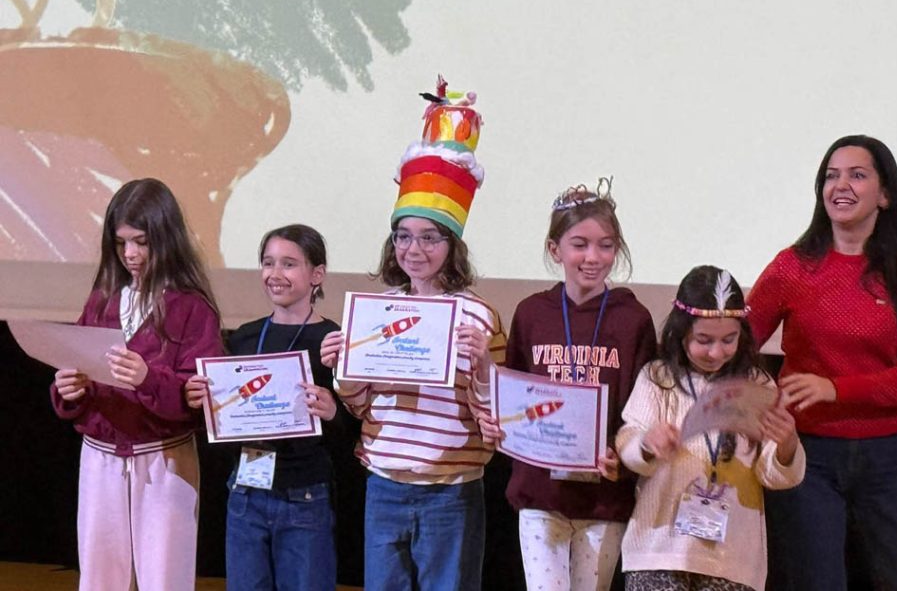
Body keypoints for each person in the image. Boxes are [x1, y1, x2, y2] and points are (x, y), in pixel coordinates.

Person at [321, 81, 505, 591]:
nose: (413, 249)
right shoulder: (377, 311)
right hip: (384, 484)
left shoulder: (479, 316)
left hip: (452, 490)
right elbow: (360, 404)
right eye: (403, 236)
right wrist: (343, 367)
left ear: (453, 244)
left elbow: (493, 420)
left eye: (429, 237)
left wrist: (483, 368)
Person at [746, 135, 897, 590]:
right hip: (807, 454)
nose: (841, 185)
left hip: (889, 456)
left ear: (885, 194)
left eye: (857, 175)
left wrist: (836, 388)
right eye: (831, 176)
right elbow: (738, 342)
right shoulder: (792, 267)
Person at [51, 177, 222, 591]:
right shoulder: (104, 299)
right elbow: (80, 369)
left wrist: (149, 379)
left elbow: (200, 399)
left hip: (162, 459)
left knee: (164, 577)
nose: (130, 254)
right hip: (101, 458)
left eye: (141, 242)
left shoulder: (191, 307)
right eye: (121, 243)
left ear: (165, 238)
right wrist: (68, 390)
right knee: (99, 577)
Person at [493, 178, 658, 591]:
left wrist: (622, 456)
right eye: (579, 244)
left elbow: (641, 407)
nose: (593, 257)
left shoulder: (633, 319)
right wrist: (504, 428)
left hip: (604, 495)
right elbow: (514, 395)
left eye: (606, 245)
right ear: (555, 250)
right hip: (540, 492)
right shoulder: (532, 313)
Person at [616, 265, 805, 591]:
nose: (716, 352)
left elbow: (773, 473)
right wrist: (647, 443)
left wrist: (787, 445)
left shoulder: (756, 385)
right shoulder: (658, 379)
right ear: (680, 332)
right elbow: (628, 442)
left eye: (729, 340)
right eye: (703, 340)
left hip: (732, 558)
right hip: (659, 551)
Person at [185, 224, 341, 591]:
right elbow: (224, 415)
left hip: (303, 494)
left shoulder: (332, 340)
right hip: (246, 492)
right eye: (268, 263)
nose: (275, 273)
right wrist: (200, 402)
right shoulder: (244, 337)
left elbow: (351, 428)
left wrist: (333, 412)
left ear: (317, 274)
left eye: (289, 264)